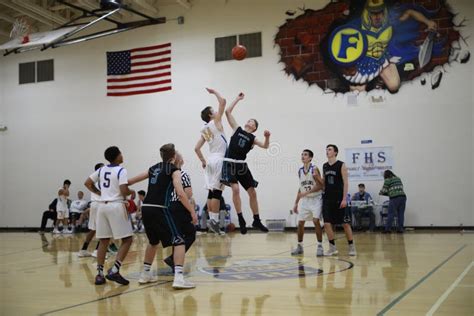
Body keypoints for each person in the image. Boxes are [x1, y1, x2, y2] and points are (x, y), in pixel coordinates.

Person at [128, 144, 198, 289]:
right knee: (179, 240)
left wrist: (126, 191)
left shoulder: (153, 168)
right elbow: (180, 192)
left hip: (146, 207)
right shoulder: (175, 170)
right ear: (173, 157)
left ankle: (145, 274)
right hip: (160, 208)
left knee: (153, 242)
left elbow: (130, 181)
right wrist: (192, 211)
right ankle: (179, 278)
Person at [84, 146, 135, 285]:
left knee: (103, 241)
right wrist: (131, 191)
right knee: (127, 239)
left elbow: (87, 183)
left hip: (102, 207)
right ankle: (114, 270)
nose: (122, 155)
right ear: (117, 156)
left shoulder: (101, 170)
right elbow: (123, 190)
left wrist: (100, 193)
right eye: (121, 153)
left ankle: (99, 274)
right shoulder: (121, 170)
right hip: (116, 205)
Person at [221, 92, 270, 233]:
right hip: (229, 163)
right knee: (235, 190)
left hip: (241, 165)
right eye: (249, 120)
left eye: (252, 121)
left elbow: (265, 146)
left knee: (252, 192)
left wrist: (267, 137)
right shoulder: (237, 129)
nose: (249, 121)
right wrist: (237, 99)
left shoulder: (253, 138)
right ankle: (241, 218)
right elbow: (227, 112)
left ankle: (256, 220)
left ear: (254, 127)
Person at [195, 88, 227, 235]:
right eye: (213, 111)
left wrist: (202, 161)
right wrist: (214, 92)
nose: (216, 112)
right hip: (219, 159)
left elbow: (196, 148)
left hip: (210, 160)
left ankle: (211, 220)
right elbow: (223, 101)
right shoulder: (216, 122)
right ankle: (214, 220)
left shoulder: (204, 129)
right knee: (217, 192)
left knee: (211, 192)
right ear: (210, 115)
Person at [162, 151, 197, 273]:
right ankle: (173, 259)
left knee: (177, 236)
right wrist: (191, 210)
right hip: (180, 206)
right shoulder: (183, 174)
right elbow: (188, 193)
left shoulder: (166, 175)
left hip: (168, 207)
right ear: (180, 161)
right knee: (190, 234)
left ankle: (174, 264)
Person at [322, 144, 356, 256]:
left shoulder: (341, 165)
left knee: (345, 224)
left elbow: (346, 183)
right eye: (326, 149)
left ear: (335, 152)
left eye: (330, 149)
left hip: (339, 198)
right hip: (327, 199)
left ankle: (351, 246)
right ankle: (332, 248)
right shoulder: (325, 166)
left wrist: (344, 199)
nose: (327, 151)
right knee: (327, 224)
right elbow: (324, 183)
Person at [291, 149, 325, 257]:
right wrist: (296, 203)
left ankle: (320, 246)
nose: (303, 156)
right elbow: (300, 189)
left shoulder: (314, 169)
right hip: (306, 200)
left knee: (316, 221)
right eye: (302, 154)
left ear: (310, 158)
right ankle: (300, 246)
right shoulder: (300, 171)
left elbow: (321, 186)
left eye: (305, 155)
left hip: (316, 199)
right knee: (300, 223)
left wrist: (307, 192)